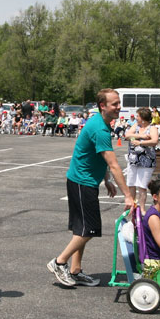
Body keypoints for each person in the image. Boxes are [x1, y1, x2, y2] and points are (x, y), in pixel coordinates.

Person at [47, 88, 134, 287]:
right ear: (103, 106)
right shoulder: (100, 129)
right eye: (114, 104)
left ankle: (75, 270)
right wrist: (128, 196)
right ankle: (59, 262)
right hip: (81, 182)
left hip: (83, 181)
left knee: (81, 228)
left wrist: (106, 180)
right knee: (89, 229)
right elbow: (113, 163)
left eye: (119, 103)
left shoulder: (100, 123)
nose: (118, 107)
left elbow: (98, 156)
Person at [124, 107, 159, 209]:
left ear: (143, 118)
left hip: (146, 161)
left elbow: (154, 140)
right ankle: (132, 205)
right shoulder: (136, 126)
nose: (136, 118)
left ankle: (142, 208)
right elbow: (127, 135)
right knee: (131, 183)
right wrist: (142, 136)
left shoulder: (152, 128)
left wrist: (140, 142)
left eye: (138, 116)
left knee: (142, 186)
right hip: (133, 159)